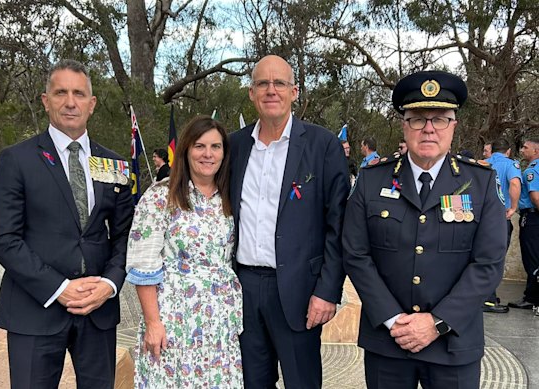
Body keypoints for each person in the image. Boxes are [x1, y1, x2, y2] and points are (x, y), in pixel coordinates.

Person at [344, 70, 506, 389]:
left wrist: (436, 323)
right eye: (418, 119)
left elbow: (488, 264)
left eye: (440, 119)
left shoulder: (481, 183)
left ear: (453, 125)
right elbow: (355, 254)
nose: (429, 129)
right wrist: (394, 319)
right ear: (404, 125)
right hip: (388, 341)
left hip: (453, 345)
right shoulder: (372, 179)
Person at [0, 59, 134, 388]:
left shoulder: (114, 164)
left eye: (79, 93)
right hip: (34, 310)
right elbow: (3, 239)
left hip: (98, 312)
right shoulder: (17, 159)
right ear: (46, 100)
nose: (70, 102)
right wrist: (60, 288)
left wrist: (109, 284)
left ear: (92, 104)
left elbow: (127, 234)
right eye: (61, 92)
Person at [229, 55, 349, 388]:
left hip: (299, 290)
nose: (271, 90)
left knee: (302, 382)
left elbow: (337, 225)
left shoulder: (323, 146)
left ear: (294, 91)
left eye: (279, 83)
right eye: (262, 84)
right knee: (252, 382)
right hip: (243, 290)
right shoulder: (235, 145)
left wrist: (327, 292)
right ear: (251, 93)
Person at [126, 115, 243, 388]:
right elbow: (144, 263)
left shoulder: (228, 197)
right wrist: (153, 323)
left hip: (219, 321)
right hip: (174, 317)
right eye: (200, 146)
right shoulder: (160, 196)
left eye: (216, 147)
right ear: (186, 149)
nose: (208, 154)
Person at [484, 138, 521, 313]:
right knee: (495, 258)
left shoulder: (481, 163)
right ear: (508, 151)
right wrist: (513, 207)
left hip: (480, 217)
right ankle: (488, 299)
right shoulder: (510, 165)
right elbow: (514, 183)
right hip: (500, 218)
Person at [509, 138, 539, 310]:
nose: (522, 150)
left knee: (532, 258)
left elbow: (535, 197)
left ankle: (532, 297)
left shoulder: (532, 171)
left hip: (533, 219)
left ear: (535, 151)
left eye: (525, 148)